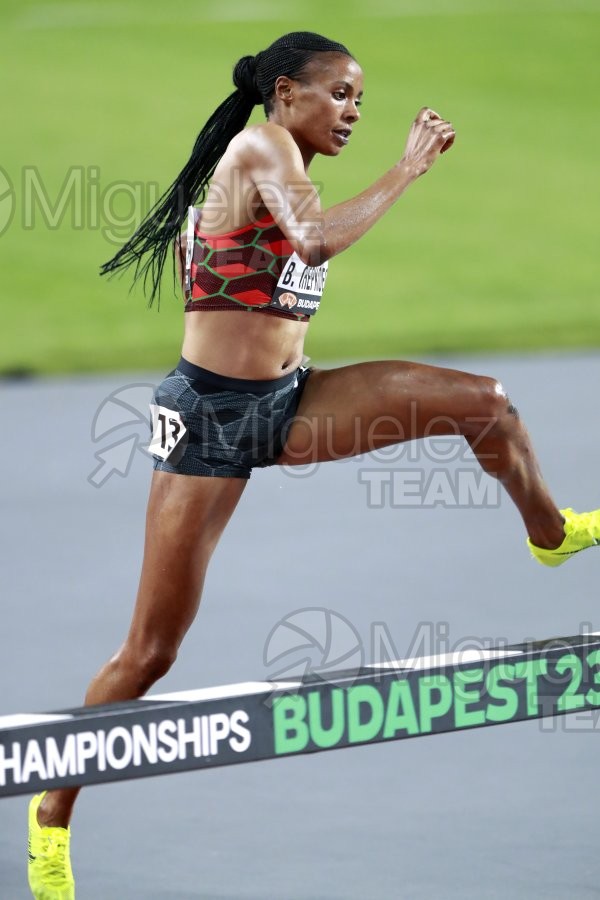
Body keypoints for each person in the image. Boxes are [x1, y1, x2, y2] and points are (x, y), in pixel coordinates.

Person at [27, 30, 600, 900]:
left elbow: (259, 269)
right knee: (149, 653)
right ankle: (50, 817)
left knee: (486, 403)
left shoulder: (278, 160)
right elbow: (313, 242)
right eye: (340, 95)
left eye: (360, 100)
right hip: (211, 423)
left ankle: (550, 533)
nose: (355, 112)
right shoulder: (258, 147)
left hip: (291, 404)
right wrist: (406, 170)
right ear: (287, 93)